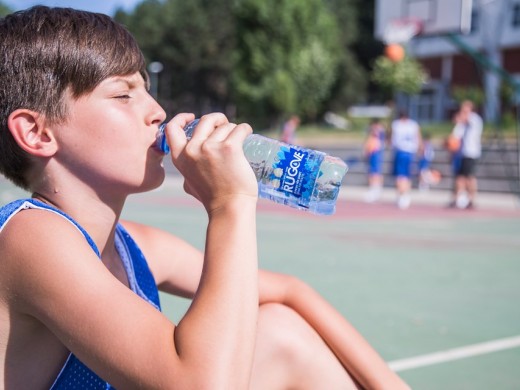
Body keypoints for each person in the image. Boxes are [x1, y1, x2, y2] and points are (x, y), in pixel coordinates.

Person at [0, 6, 410, 390]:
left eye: (147, 89)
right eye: (123, 95)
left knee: (282, 330)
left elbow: (289, 291)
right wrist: (229, 205)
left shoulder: (133, 246)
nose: (158, 111)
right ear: (37, 133)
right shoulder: (30, 237)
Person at [448, 100, 483, 209]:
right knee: (459, 177)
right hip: (461, 153)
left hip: (471, 152)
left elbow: (463, 119)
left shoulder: (474, 119)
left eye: (465, 108)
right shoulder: (462, 124)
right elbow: (455, 136)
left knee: (469, 177)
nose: (462, 111)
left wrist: (460, 117)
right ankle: (457, 198)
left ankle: (472, 199)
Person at [390, 110, 422, 209]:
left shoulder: (396, 124)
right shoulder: (413, 124)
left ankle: (402, 195)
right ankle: (406, 194)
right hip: (411, 152)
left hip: (401, 152)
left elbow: (392, 139)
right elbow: (418, 138)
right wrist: (420, 149)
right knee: (407, 176)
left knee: (400, 176)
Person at [363, 118, 386, 203]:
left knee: (374, 172)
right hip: (373, 153)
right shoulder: (378, 133)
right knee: (374, 171)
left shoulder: (376, 132)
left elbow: (369, 142)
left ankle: (375, 189)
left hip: (375, 153)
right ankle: (375, 189)